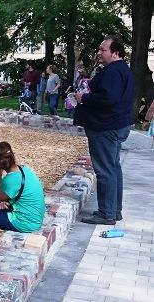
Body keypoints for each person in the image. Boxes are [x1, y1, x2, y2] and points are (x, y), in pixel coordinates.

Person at [74, 36, 134, 225]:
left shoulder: (113, 72)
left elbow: (108, 99)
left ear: (115, 53)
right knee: (113, 168)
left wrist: (83, 98)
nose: (99, 53)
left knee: (105, 170)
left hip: (106, 127)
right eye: (99, 49)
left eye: (103, 50)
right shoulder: (122, 70)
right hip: (117, 125)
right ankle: (114, 210)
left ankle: (106, 213)